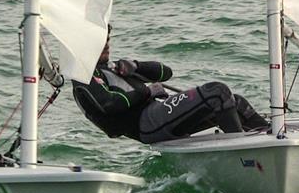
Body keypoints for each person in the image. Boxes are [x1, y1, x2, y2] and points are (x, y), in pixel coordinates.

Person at [72, 25, 268, 144]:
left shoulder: (115, 68)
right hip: (146, 123)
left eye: (107, 39)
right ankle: (240, 151)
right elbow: (110, 104)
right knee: (217, 92)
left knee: (235, 102)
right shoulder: (84, 77)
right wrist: (148, 91)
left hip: (158, 114)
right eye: (100, 40)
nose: (107, 43)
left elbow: (166, 73)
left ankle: (269, 138)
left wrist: (136, 66)